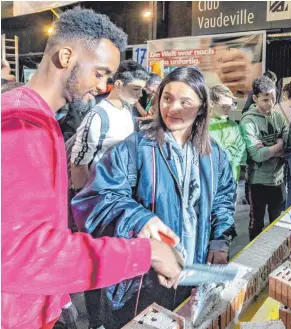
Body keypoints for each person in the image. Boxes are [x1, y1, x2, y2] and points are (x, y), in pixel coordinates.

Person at [1, 8, 182, 329]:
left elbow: (43, 228)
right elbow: (22, 254)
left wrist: (58, 296)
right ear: (65, 56)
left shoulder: (41, 120)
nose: (102, 87)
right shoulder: (21, 125)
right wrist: (145, 253)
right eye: (99, 73)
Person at [72, 67, 237, 328]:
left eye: (185, 102)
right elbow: (96, 199)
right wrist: (139, 219)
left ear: (202, 107)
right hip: (140, 281)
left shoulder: (214, 154)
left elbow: (223, 198)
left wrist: (219, 240)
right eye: (167, 98)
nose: (173, 108)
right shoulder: (136, 148)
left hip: (191, 270)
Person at [70, 60, 150, 192]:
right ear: (118, 84)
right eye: (136, 89)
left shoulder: (126, 110)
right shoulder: (98, 116)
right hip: (99, 192)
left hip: (120, 189)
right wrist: (84, 200)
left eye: (142, 89)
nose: (140, 94)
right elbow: (79, 163)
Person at [240, 76, 289, 241]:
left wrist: (271, 150)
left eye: (273, 98)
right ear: (255, 98)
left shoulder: (278, 117)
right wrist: (278, 146)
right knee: (256, 224)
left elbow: (289, 145)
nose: (270, 103)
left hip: (278, 180)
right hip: (257, 183)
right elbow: (258, 155)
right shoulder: (248, 121)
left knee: (278, 221)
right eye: (265, 99)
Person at [209, 84, 247, 181]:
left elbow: (243, 152)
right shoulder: (204, 126)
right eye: (224, 106)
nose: (229, 110)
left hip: (233, 179)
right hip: (213, 182)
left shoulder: (234, 126)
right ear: (212, 103)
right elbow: (214, 155)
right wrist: (232, 151)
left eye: (231, 105)